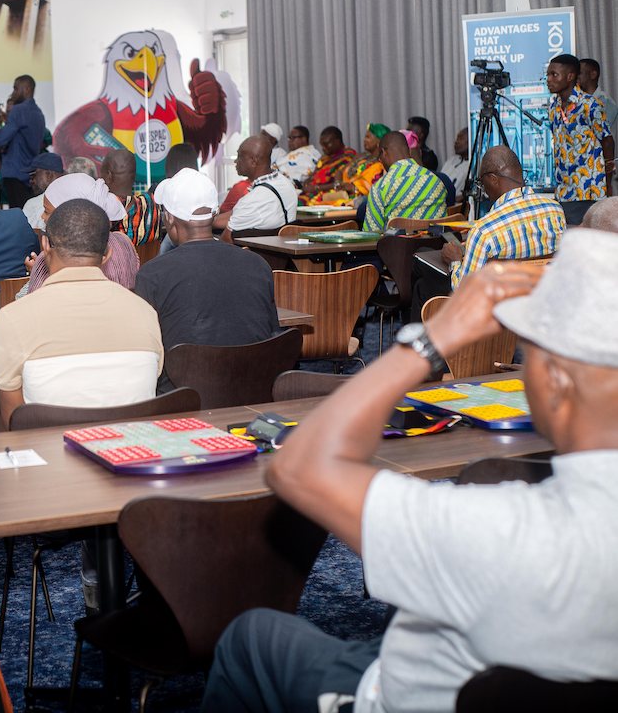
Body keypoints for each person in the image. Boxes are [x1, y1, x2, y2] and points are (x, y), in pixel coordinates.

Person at [203, 232, 618, 713]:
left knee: (251, 636)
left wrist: (432, 339)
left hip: (401, 696)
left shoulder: (498, 532)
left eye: (529, 352)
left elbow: (298, 466)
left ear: (557, 380)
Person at [0, 198, 162, 428]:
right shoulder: (145, 313)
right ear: (107, 254)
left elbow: (12, 419)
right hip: (130, 445)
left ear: (45, 245)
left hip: (49, 449)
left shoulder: (12, 318)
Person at [136, 168, 279, 391]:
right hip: (254, 391)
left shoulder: (152, 275)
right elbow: (271, 334)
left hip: (183, 398)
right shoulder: (257, 265)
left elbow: (145, 353)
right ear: (214, 214)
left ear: (170, 218)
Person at [444, 146, 565, 287]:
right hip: (545, 296)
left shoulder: (483, 231)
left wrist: (455, 261)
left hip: (504, 300)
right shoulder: (555, 211)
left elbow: (465, 290)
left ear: (493, 179)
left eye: (481, 182)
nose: (483, 190)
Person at [20, 173, 138, 298]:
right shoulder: (124, 243)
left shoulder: (51, 257)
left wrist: (37, 273)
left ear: (70, 216)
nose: (42, 216)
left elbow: (31, 302)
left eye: (46, 211)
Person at [547, 54, 614, 200]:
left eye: (554, 74)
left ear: (570, 76)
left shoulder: (590, 104)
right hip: (564, 189)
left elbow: (607, 140)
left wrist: (607, 182)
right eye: (548, 75)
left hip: (589, 188)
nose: (549, 79)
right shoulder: (553, 108)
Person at [363, 131, 446, 232]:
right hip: (435, 242)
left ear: (384, 153)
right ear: (409, 152)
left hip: (398, 242)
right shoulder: (435, 180)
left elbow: (371, 234)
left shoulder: (380, 187)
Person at [224, 135, 297, 234]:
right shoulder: (287, 184)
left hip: (247, 244)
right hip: (282, 241)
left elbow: (227, 238)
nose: (236, 161)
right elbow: (236, 213)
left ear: (253, 161)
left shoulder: (253, 199)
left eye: (240, 156)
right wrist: (212, 220)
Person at [0, 75, 45, 208]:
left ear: (27, 89)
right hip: (30, 172)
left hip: (15, 171)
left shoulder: (19, 110)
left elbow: (0, 140)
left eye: (16, 89)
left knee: (17, 214)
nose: (13, 93)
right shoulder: (38, 112)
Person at [102, 149, 162, 245]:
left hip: (116, 254)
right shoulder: (152, 203)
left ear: (109, 176)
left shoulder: (105, 209)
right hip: (152, 255)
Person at [300, 127, 357, 198]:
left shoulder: (348, 156)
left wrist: (316, 188)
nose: (323, 148)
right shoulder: (325, 157)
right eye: (322, 145)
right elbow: (315, 174)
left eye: (326, 144)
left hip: (329, 194)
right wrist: (307, 181)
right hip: (312, 191)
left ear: (337, 141)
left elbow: (341, 183)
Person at [340, 123, 389, 199]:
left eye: (368, 137)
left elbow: (372, 189)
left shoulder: (381, 164)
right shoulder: (361, 157)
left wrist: (354, 188)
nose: (364, 140)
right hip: (342, 195)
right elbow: (341, 172)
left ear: (379, 141)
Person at [21, 152, 64, 232]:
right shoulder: (75, 196)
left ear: (49, 175)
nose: (31, 181)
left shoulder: (33, 204)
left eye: (33, 175)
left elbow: (27, 234)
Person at [578, 58, 618, 134]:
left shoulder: (605, 102)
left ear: (593, 75)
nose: (576, 77)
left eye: (579, 73)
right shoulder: (577, 101)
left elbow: (600, 134)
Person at [439, 126, 470, 200]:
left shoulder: (473, 166)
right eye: (457, 138)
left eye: (461, 138)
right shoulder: (451, 160)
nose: (456, 142)